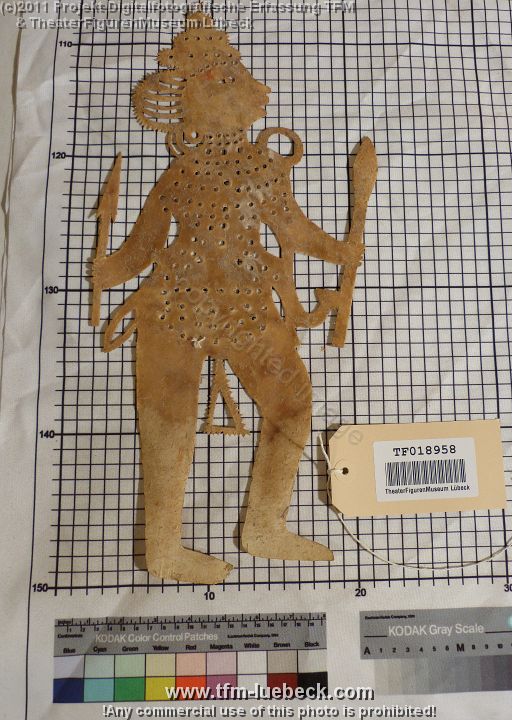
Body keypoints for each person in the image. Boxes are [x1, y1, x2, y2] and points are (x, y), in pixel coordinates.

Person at [92, 12, 375, 584]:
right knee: (176, 419)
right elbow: (146, 246)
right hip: (190, 308)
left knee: (275, 404)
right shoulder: (203, 172)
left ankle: (257, 528)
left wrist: (108, 271)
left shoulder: (239, 168)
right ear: (199, 99)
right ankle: (178, 546)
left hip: (218, 308)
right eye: (230, 78)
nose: (253, 88)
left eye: (238, 75)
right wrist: (107, 270)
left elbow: (289, 230)